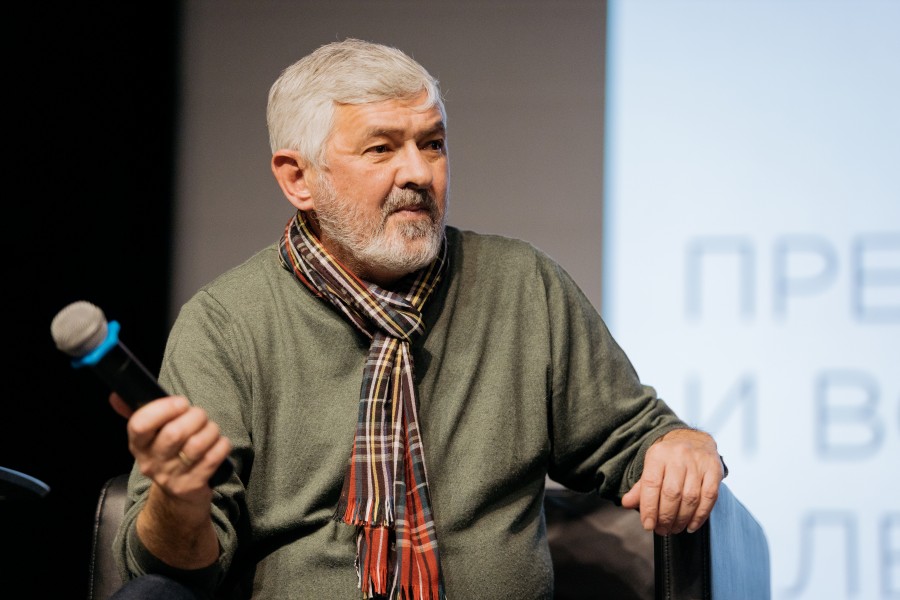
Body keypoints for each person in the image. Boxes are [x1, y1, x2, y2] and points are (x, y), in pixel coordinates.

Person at [108, 38, 725, 600]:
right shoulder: (226, 324)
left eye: (432, 144)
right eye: (381, 149)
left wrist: (683, 444)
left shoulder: (520, 285)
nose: (419, 173)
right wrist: (179, 500)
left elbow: (632, 438)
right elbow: (175, 570)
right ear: (298, 179)